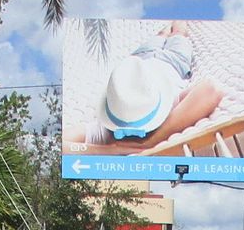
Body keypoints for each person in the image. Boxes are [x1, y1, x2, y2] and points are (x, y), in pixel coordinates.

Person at [85, 22, 224, 154]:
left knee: (161, 33)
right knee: (179, 32)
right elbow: (211, 89)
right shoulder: (168, 108)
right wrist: (153, 140)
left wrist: (111, 149)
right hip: (174, 60)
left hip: (140, 59)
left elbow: (65, 143)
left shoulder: (106, 130)